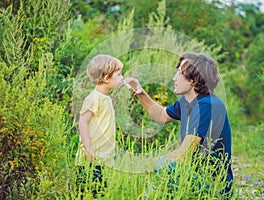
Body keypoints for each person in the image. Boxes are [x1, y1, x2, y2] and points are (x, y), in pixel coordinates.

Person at [126, 52, 233, 197]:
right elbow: (161, 115)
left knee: (162, 165)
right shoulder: (187, 101)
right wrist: (140, 92)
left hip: (214, 190)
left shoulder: (206, 106)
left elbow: (184, 156)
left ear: (193, 80)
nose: (174, 78)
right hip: (192, 179)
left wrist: (148, 163)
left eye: (179, 73)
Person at [75, 54, 124, 198]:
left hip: (103, 160)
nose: (122, 77)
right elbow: (83, 122)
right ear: (106, 78)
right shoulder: (94, 98)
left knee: (100, 194)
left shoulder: (105, 98)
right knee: (88, 194)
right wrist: (88, 148)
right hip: (90, 161)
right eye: (119, 74)